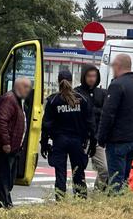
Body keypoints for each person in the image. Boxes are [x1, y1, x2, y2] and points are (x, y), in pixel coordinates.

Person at [41, 70, 96, 200]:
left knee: (60, 174)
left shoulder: (53, 100)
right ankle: (81, 201)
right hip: (78, 142)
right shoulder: (82, 99)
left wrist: (44, 144)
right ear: (71, 81)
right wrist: (92, 142)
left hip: (59, 141)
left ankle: (60, 201)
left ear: (57, 81)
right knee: (78, 173)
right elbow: (91, 124)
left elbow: (46, 125)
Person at [97, 54, 133, 192]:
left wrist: (101, 138)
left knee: (115, 181)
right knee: (124, 179)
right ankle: (124, 206)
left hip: (118, 140)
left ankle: (115, 210)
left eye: (113, 66)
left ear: (118, 66)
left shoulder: (117, 85)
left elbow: (108, 114)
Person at [0, 77, 32, 208]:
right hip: (5, 148)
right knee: (4, 177)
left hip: (13, 148)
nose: (28, 90)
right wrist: (6, 142)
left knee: (8, 177)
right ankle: (4, 203)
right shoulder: (10, 99)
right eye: (26, 87)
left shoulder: (17, 100)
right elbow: (1, 121)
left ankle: (3, 201)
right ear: (18, 86)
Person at [75, 64, 108, 190]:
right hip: (81, 138)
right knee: (78, 171)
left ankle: (97, 193)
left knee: (104, 169)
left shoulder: (102, 93)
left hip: (98, 138)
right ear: (84, 76)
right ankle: (80, 196)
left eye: (94, 76)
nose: (91, 79)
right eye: (89, 76)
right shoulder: (76, 93)